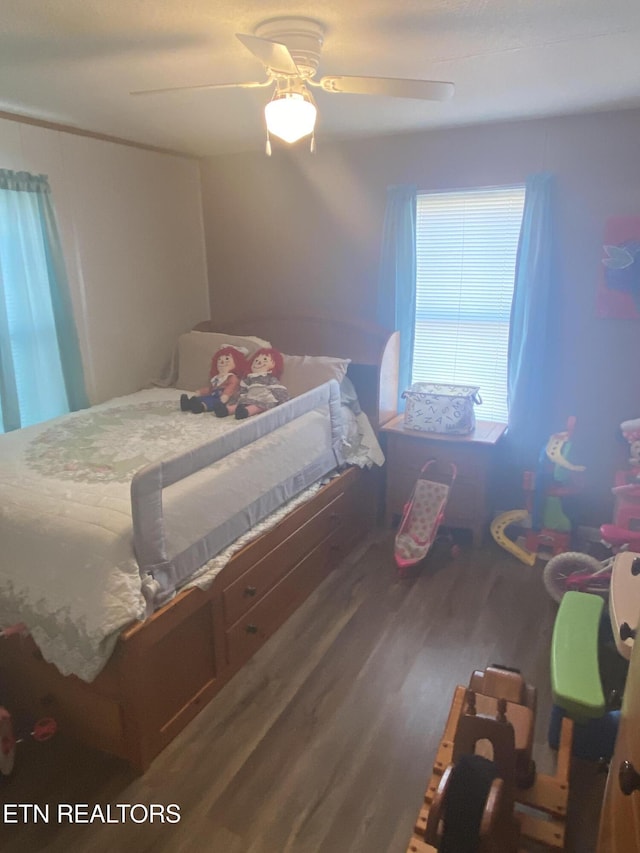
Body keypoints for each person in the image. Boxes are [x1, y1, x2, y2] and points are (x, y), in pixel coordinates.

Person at [212, 347, 289, 419]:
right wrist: (241, 397)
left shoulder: (270, 378)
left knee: (256, 406)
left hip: (263, 399)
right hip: (249, 398)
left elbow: (277, 389)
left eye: (265, 360)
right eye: (256, 360)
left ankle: (246, 412)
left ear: (274, 364)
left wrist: (284, 401)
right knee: (239, 404)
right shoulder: (249, 379)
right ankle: (226, 410)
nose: (259, 362)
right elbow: (243, 389)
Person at [180, 345, 248, 414]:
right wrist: (201, 392)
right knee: (203, 398)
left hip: (224, 398)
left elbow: (232, 387)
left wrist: (225, 395)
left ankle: (200, 407)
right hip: (213, 395)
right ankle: (188, 404)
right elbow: (211, 389)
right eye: (219, 359)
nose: (222, 361)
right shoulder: (217, 378)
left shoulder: (232, 377)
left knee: (212, 402)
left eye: (227, 359)